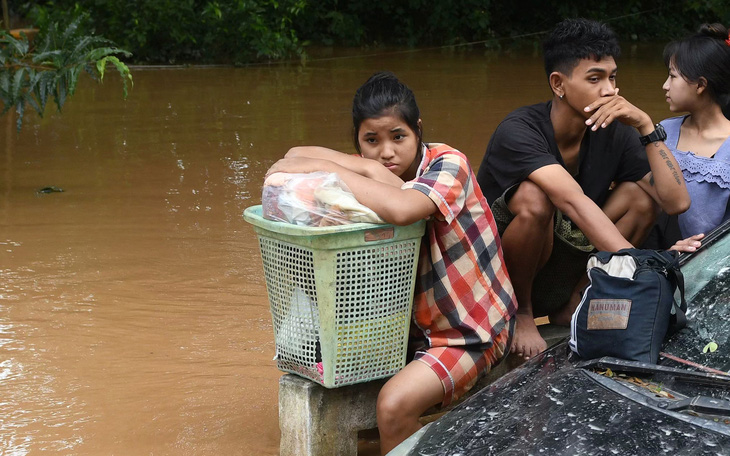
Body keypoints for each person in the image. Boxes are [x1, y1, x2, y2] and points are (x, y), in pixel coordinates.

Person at [266, 72, 517, 454]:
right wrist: (362, 169)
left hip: (472, 332)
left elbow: (402, 207)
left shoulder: (449, 165)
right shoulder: (367, 167)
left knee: (393, 406)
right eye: (372, 141)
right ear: (358, 142)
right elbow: (290, 158)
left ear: (418, 131)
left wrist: (360, 171)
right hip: (412, 331)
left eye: (398, 137)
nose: (386, 152)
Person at [476, 18, 692, 362]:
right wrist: (640, 267)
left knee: (640, 199)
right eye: (595, 79)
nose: (610, 90)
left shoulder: (615, 131)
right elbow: (570, 200)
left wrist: (645, 126)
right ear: (558, 84)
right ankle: (521, 314)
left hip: (563, 270)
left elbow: (676, 201)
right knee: (535, 197)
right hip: (502, 278)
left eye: (612, 77)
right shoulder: (519, 130)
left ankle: (578, 303)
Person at [644, 23, 730, 250]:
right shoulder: (662, 132)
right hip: (661, 256)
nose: (665, 86)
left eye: (672, 76)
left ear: (700, 85)